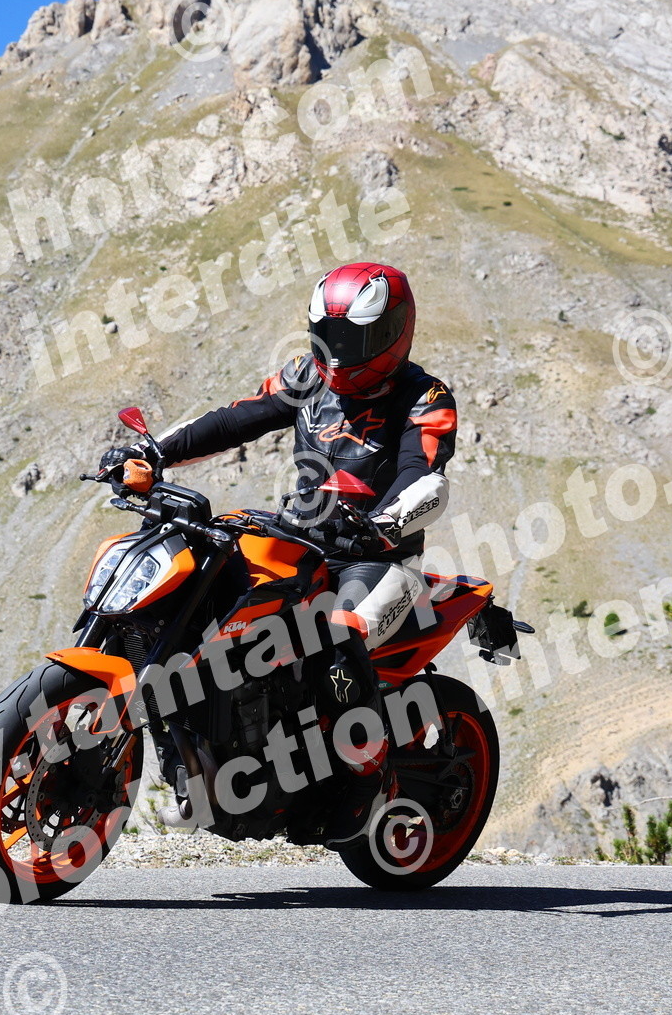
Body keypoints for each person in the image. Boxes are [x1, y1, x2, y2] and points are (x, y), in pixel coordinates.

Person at [100, 261, 458, 843]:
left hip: (377, 557)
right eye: (328, 335)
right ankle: (198, 763)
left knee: (338, 638)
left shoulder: (426, 396)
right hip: (298, 538)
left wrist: (381, 524)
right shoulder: (306, 375)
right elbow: (235, 419)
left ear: (393, 332)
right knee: (191, 594)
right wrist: (153, 454)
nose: (338, 352)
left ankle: (366, 780)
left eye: (352, 338)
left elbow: (425, 475)